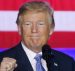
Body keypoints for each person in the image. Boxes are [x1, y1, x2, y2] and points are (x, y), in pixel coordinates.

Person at [0, 1, 75, 71]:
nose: (34, 30)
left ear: (51, 29)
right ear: (19, 28)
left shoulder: (67, 63)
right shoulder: (2, 63)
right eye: (28, 24)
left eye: (40, 24)